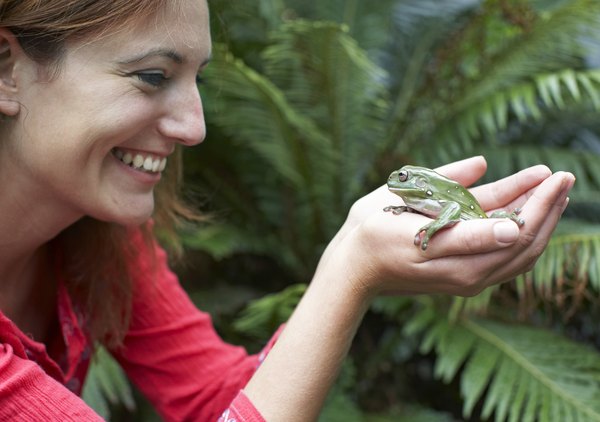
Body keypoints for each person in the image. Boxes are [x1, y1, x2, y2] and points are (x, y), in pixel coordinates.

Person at [0, 0, 574, 421]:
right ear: (7, 68)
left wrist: (361, 268)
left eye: (197, 80)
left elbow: (222, 401)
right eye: (153, 76)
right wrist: (349, 271)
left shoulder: (102, 241)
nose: (195, 127)